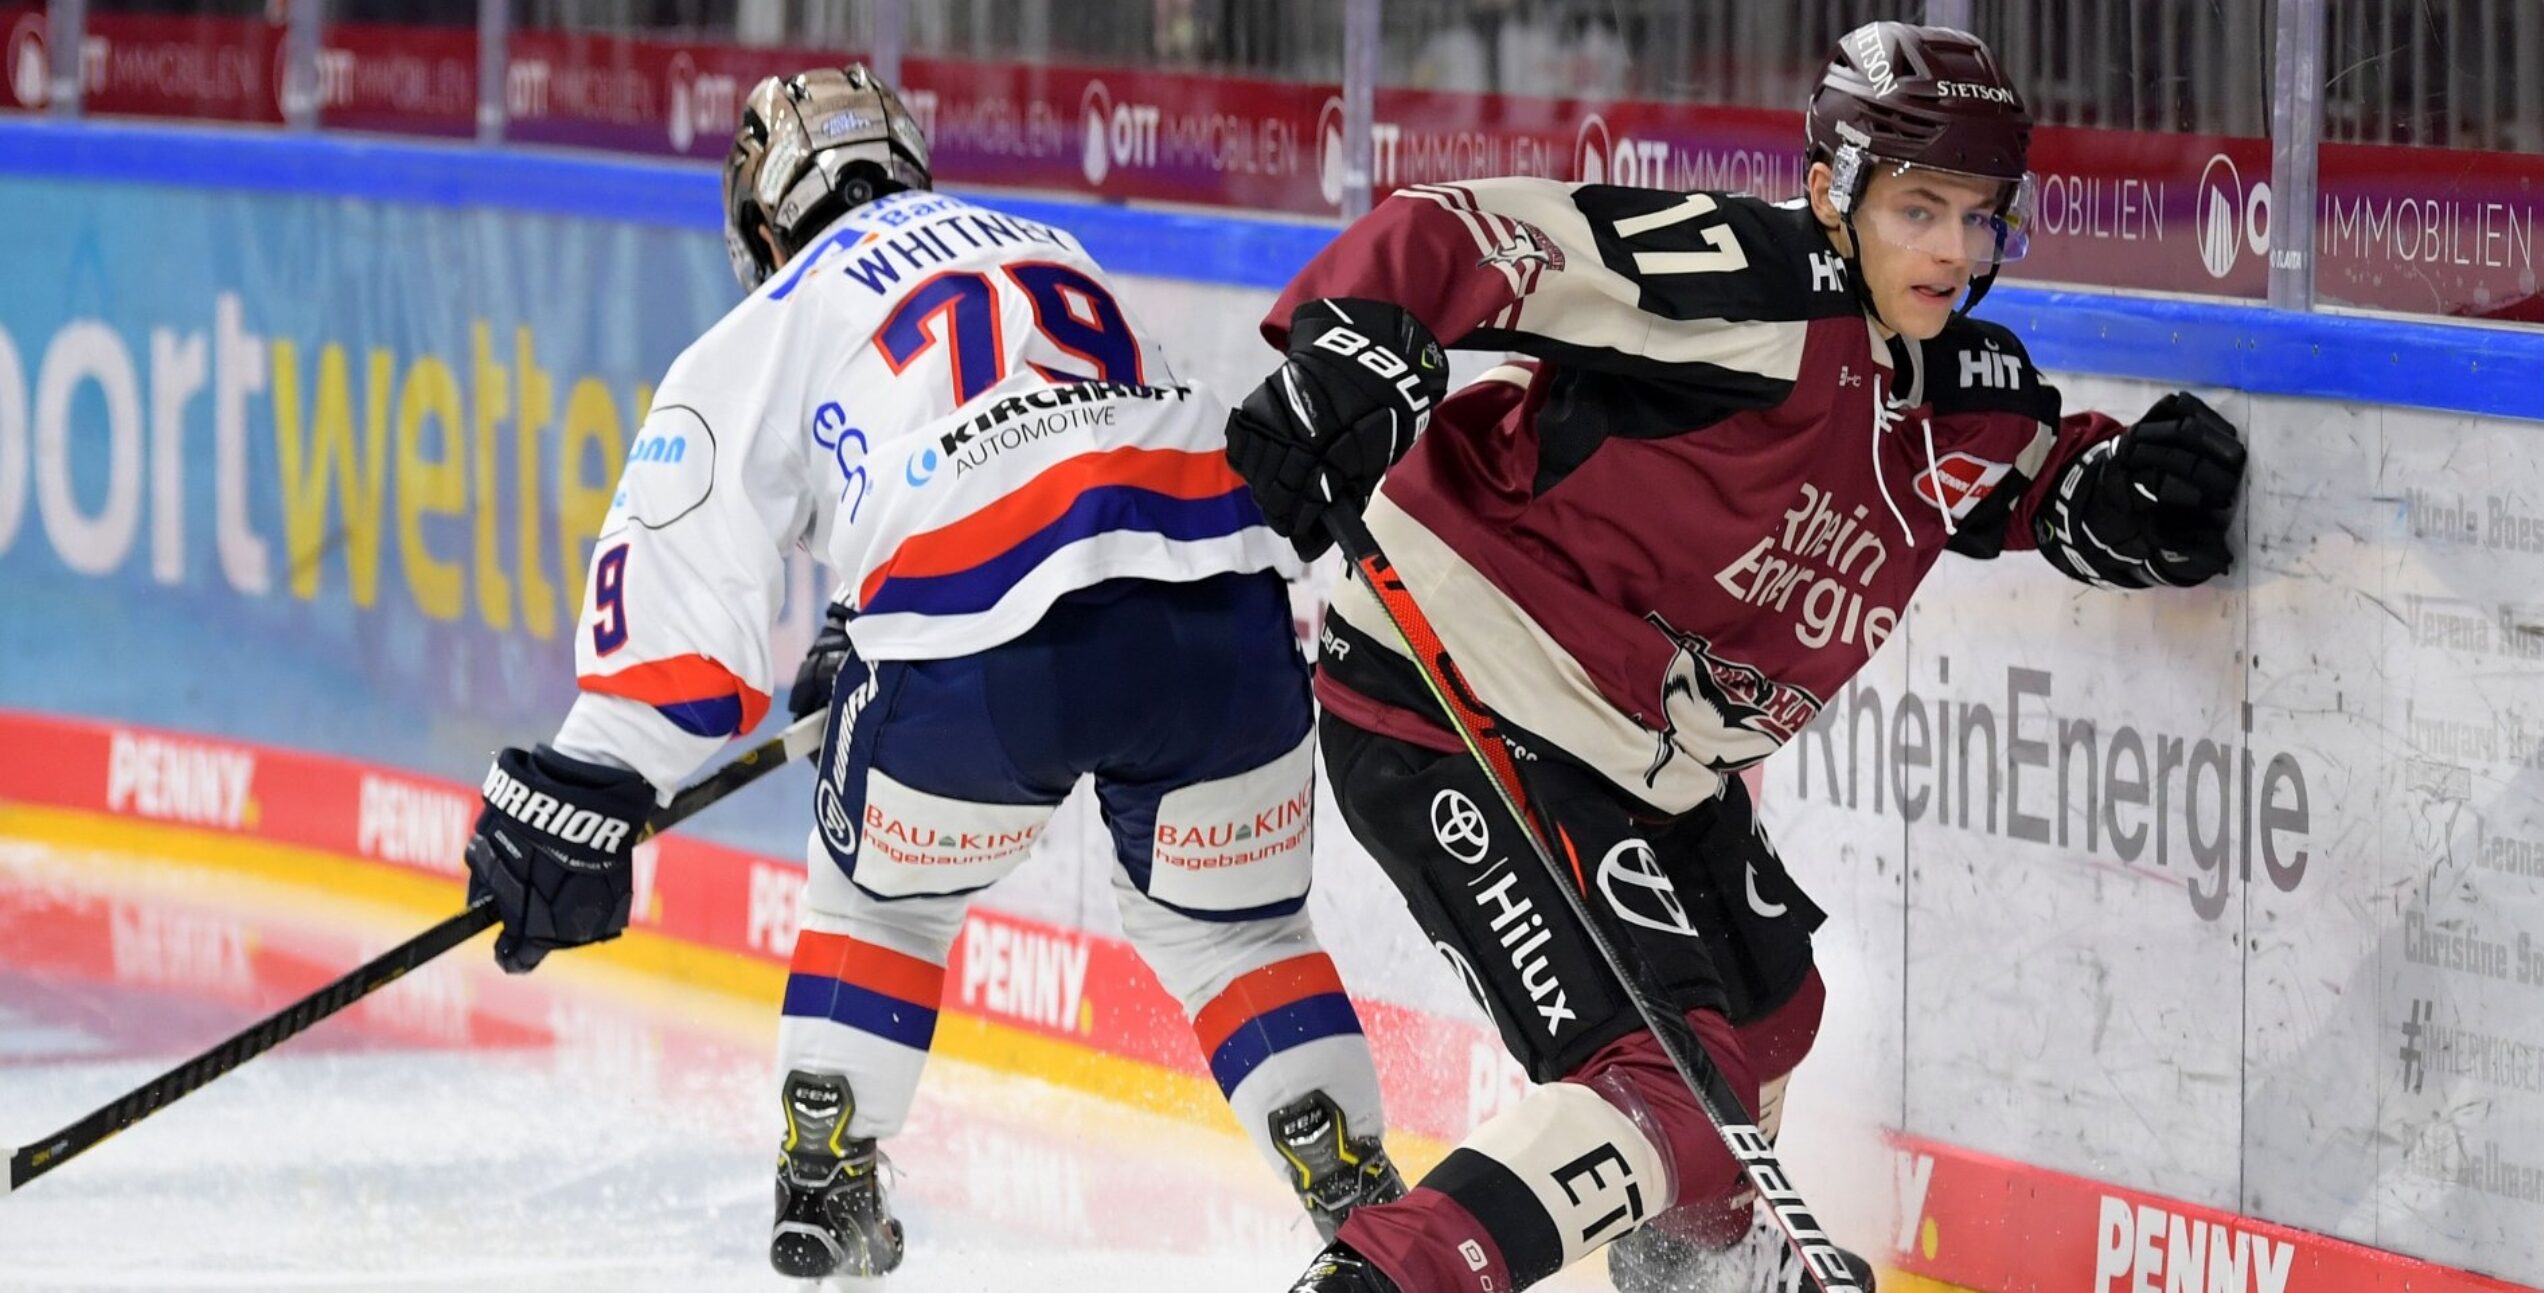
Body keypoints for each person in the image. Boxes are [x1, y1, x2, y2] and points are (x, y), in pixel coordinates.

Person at [1222, 22, 2246, 1293]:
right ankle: (1393, 1278)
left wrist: (2128, 494)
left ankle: (1689, 1267)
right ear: (1830, 191)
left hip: (1646, 766)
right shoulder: (1748, 283)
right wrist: (1350, 352)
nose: (1951, 249)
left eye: (1979, 216)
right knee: (1675, 1087)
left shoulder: (1963, 387)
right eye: (1917, 208)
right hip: (1460, 692)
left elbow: (2025, 481)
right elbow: (1456, 233)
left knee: (1772, 1012)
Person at [457, 63, 1402, 1283]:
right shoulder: (1048, 247)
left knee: (884, 909)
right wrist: (861, 622)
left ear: (764, 219)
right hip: (1219, 596)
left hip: (975, 627)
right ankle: (1354, 1186)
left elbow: (681, 582)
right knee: (1239, 934)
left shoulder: (773, 317)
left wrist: (590, 779)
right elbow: (1094, 441)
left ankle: (830, 1177)